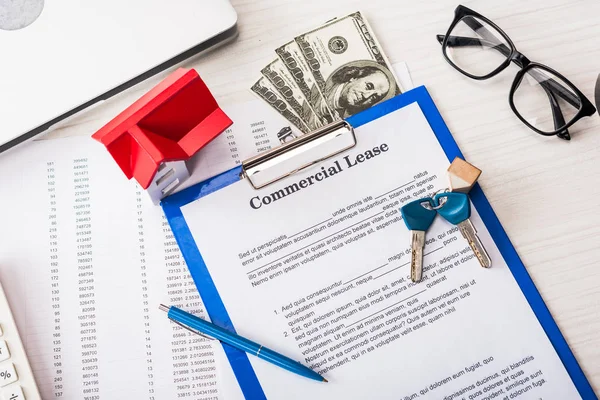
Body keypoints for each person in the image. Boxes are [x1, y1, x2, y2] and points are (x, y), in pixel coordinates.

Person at [323, 61, 399, 119]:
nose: (366, 96)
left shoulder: (335, 120)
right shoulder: (324, 85)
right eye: (368, 86)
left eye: (374, 97)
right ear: (354, 77)